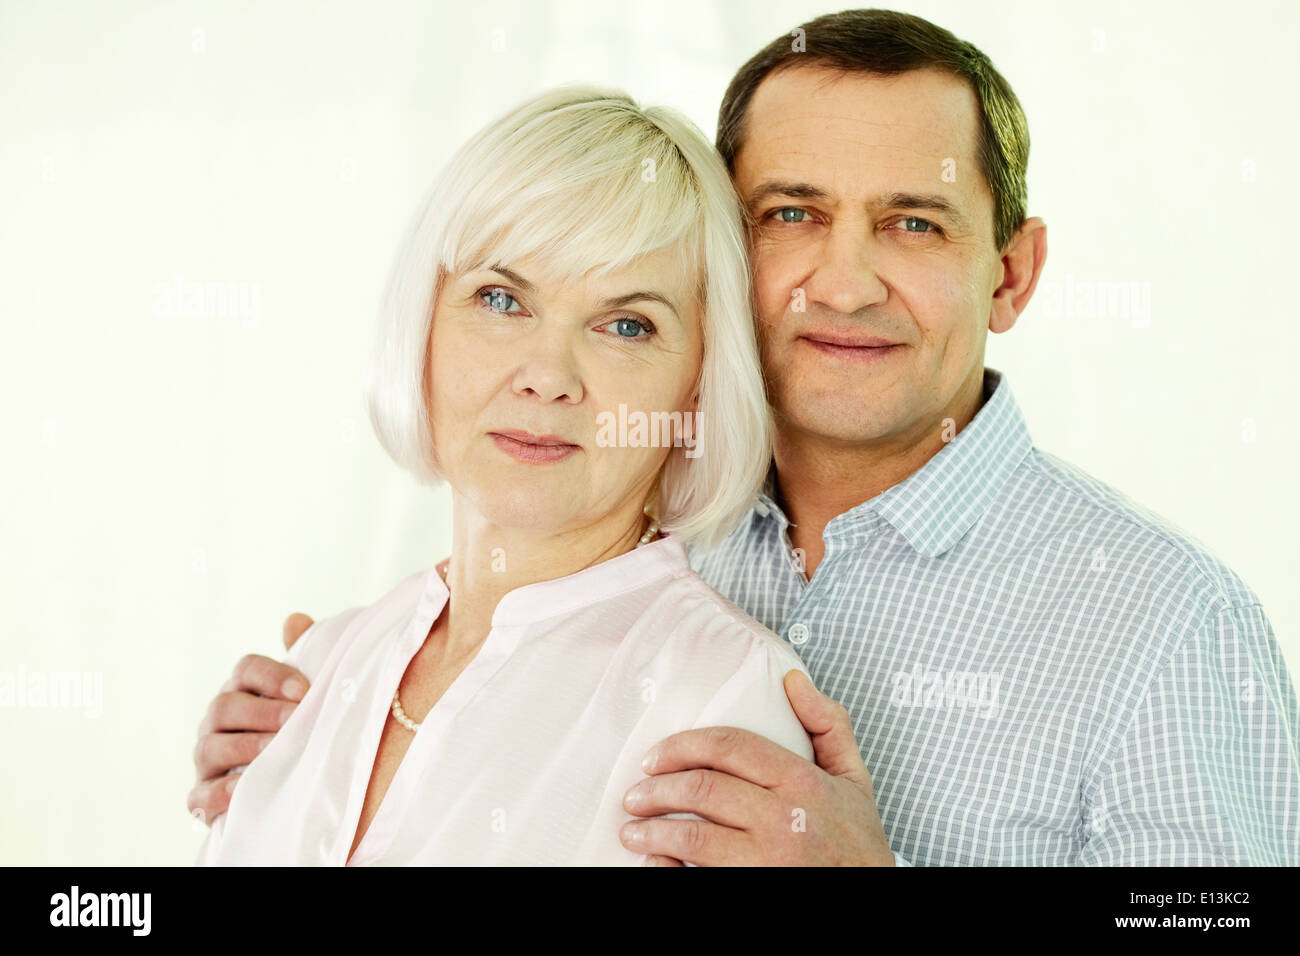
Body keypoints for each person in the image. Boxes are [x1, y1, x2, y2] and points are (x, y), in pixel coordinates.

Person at [193, 9, 1300, 866]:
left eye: (913, 221)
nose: (845, 280)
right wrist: (330, 755)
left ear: (1009, 272)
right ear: (721, 260)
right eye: (792, 214)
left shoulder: (1167, 618)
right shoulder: (608, 512)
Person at [194, 83, 818, 865]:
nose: (548, 375)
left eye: (627, 324)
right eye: (500, 298)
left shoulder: (722, 701)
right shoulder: (318, 668)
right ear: (422, 324)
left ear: (699, 383)